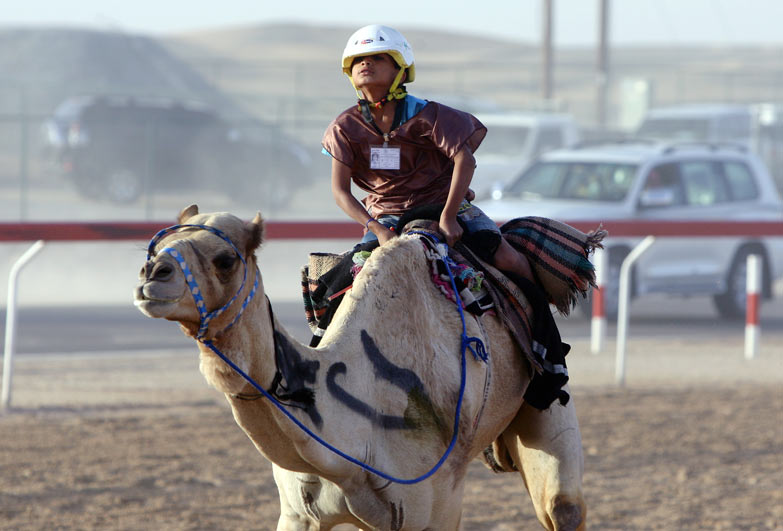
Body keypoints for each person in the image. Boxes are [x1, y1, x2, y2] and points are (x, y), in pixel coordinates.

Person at [322, 24, 533, 282]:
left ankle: (540, 320)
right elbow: (340, 192)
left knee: (507, 259)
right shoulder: (343, 127)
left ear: (399, 70)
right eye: (358, 61)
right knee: (341, 287)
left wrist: (449, 215)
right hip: (385, 214)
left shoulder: (429, 115)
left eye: (377, 57)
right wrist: (375, 228)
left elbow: (464, 160)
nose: (365, 63)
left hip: (443, 204)